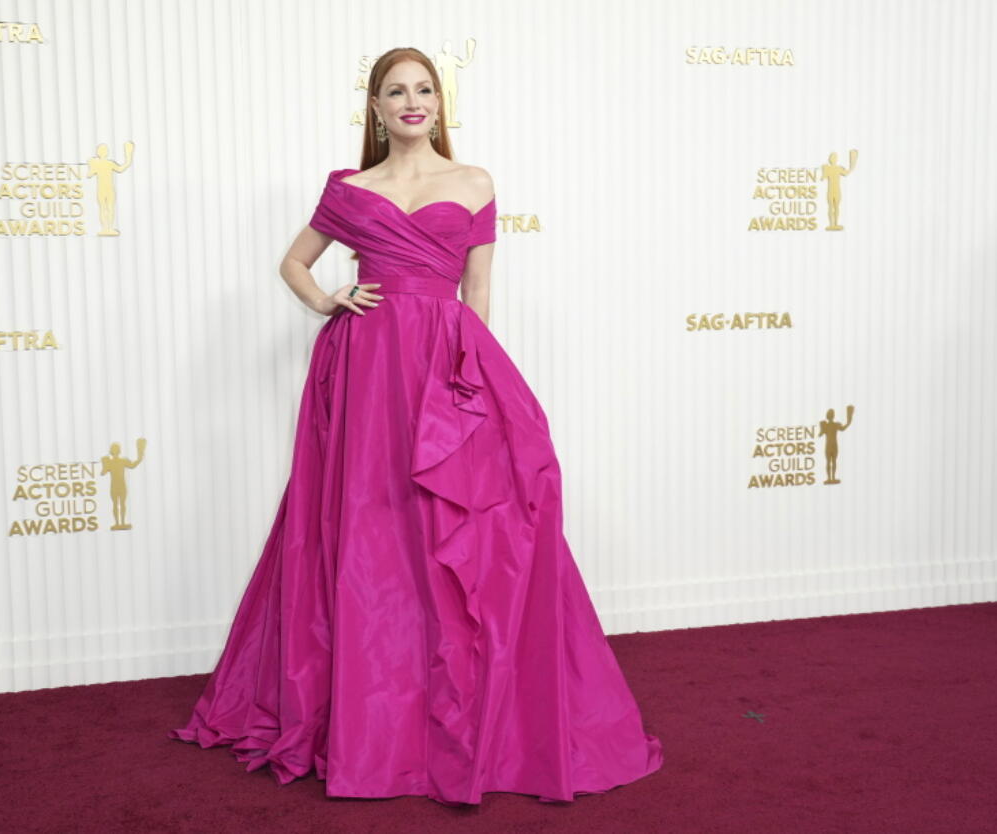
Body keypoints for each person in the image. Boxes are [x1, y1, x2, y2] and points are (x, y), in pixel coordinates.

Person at [170, 47, 663, 806]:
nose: (411, 102)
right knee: (369, 535)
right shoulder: (349, 188)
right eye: (396, 91)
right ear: (373, 107)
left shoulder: (473, 183)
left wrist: (471, 390)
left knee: (459, 529)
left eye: (424, 90)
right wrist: (328, 301)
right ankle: (369, 722)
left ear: (440, 103)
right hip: (366, 370)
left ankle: (459, 719)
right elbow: (294, 264)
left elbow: (479, 294)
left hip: (444, 364)